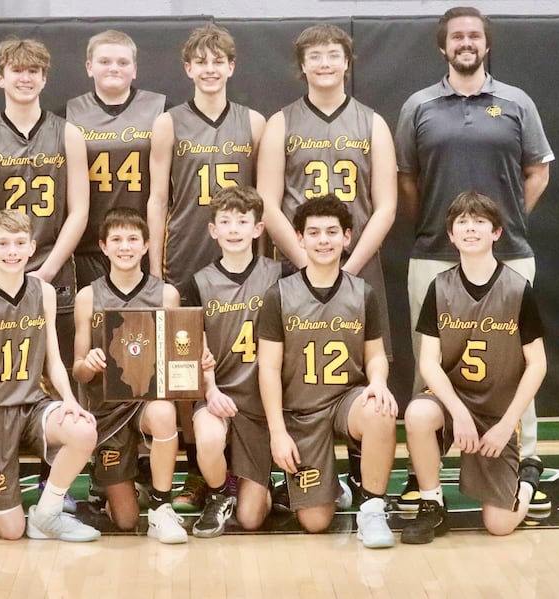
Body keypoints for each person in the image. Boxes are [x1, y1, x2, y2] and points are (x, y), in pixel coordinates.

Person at [395, 6, 554, 512]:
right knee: (428, 362)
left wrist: (500, 225)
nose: (466, 43)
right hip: (432, 253)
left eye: (474, 36)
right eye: (457, 36)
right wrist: (442, 229)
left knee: (516, 362)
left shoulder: (516, 102)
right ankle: (425, 471)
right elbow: (406, 180)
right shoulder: (418, 105)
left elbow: (538, 172)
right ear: (443, 46)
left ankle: (525, 460)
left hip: (509, 253)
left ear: (487, 44)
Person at [258, 24, 397, 497]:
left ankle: (363, 474)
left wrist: (346, 269)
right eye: (314, 56)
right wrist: (308, 263)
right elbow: (268, 202)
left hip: (357, 258)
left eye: (333, 54)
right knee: (296, 366)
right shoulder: (281, 123)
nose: (324, 63)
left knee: (365, 362)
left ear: (347, 62)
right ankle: (303, 472)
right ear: (302, 65)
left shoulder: (373, 123)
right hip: (299, 263)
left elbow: (386, 206)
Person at [147, 23, 266, 511]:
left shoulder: (254, 123)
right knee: (185, 369)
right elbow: (157, 198)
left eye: (219, 61)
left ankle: (247, 465)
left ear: (231, 67)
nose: (210, 69)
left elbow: (264, 198)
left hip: (242, 259)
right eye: (201, 62)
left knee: (240, 361)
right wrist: (155, 266)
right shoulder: (168, 123)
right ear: (188, 68)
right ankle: (200, 472)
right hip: (185, 255)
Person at [400, 191, 547, 544]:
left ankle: (528, 476)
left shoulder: (517, 289)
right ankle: (432, 505)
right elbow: (428, 363)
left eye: (480, 221)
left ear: (496, 232)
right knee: (418, 413)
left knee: (499, 525)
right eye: (462, 222)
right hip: (454, 402)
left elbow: (537, 364)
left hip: (497, 413)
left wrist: (507, 424)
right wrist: (458, 412)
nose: (470, 228)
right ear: (451, 235)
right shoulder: (439, 287)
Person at [258, 195, 397, 549]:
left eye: (332, 232)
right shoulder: (278, 295)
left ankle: (372, 509)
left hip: (346, 402)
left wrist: (378, 382)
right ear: (300, 239)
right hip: (302, 412)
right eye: (314, 232)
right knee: (315, 522)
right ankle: (333, 487)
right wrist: (277, 433)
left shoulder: (363, 293)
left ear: (347, 237)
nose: (323, 240)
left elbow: (375, 356)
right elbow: (269, 369)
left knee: (380, 410)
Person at [0, 210, 100, 541]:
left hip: (34, 404)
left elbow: (54, 361)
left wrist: (69, 399)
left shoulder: (44, 292)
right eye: (3, 244)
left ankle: (47, 513)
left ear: (32, 247)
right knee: (11, 531)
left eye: (20, 243)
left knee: (83, 430)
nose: (12, 251)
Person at [72, 207, 187, 544]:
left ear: (146, 245)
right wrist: (89, 363)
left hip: (146, 402)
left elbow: (178, 357)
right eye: (117, 240)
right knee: (125, 521)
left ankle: (162, 507)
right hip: (107, 409)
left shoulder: (166, 295)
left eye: (133, 239)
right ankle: (130, 486)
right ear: (103, 246)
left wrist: (196, 360)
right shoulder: (88, 297)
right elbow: (78, 370)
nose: (125, 247)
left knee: (163, 412)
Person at [183, 186, 282, 537]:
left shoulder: (278, 276)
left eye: (243, 221)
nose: (234, 229)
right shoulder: (197, 283)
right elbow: (196, 347)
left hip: (261, 400)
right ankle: (220, 493)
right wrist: (210, 390)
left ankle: (265, 486)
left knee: (252, 518)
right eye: (225, 222)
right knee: (209, 437)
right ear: (213, 230)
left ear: (258, 229)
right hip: (219, 393)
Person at [66, 30, 167, 289]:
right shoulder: (67, 114)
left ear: (135, 69)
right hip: (87, 246)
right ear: (89, 67)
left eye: (122, 62)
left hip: (142, 243)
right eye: (104, 61)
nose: (114, 68)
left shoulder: (161, 110)